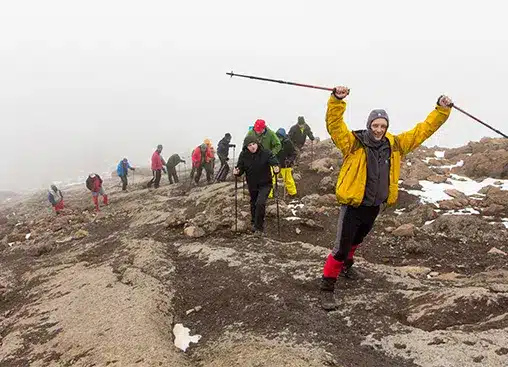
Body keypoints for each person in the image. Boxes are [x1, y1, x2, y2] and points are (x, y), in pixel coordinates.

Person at [319, 86, 453, 311]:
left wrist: (441, 110)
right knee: (341, 247)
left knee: (357, 239)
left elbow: (423, 130)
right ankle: (327, 288)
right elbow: (334, 124)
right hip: (353, 204)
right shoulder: (353, 142)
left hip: (374, 205)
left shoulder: (396, 145)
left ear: (387, 127)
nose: (379, 129)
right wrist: (337, 100)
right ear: (369, 125)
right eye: (375, 125)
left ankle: (347, 266)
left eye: (382, 126)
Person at [234, 135, 280, 235]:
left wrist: (276, 167)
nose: (252, 147)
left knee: (260, 203)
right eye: (250, 145)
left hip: (265, 183)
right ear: (246, 146)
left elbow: (274, 161)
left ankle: (259, 228)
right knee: (254, 203)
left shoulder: (266, 152)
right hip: (252, 184)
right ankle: (254, 222)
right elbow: (240, 168)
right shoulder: (244, 155)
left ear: (257, 143)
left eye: (254, 144)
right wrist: (237, 171)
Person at [274, 128, 298, 197]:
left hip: (286, 164)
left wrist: (290, 160)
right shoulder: (274, 143)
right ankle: (270, 194)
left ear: (283, 137)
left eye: (280, 137)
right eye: (278, 137)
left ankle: (293, 194)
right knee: (271, 179)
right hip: (276, 164)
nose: (279, 139)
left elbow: (294, 153)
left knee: (288, 180)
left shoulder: (288, 143)